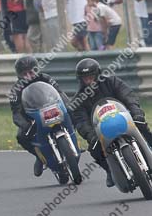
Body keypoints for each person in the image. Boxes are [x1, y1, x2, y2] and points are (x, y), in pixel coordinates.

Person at [70, 58, 152, 187]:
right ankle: (110, 170)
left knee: (142, 126)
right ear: (80, 79)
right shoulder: (78, 99)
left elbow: (128, 95)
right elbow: (81, 121)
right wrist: (90, 135)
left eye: (91, 77)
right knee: (94, 148)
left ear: (98, 74)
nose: (89, 80)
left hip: (124, 118)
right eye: (85, 78)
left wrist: (136, 112)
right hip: (101, 130)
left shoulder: (112, 82)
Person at [9, 55, 70, 176]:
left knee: (73, 115)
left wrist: (67, 106)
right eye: (24, 73)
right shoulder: (15, 90)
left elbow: (60, 93)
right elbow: (16, 112)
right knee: (21, 136)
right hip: (33, 118)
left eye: (31, 72)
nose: (29, 76)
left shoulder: (46, 78)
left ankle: (71, 143)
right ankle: (39, 157)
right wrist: (25, 124)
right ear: (19, 75)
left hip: (52, 110)